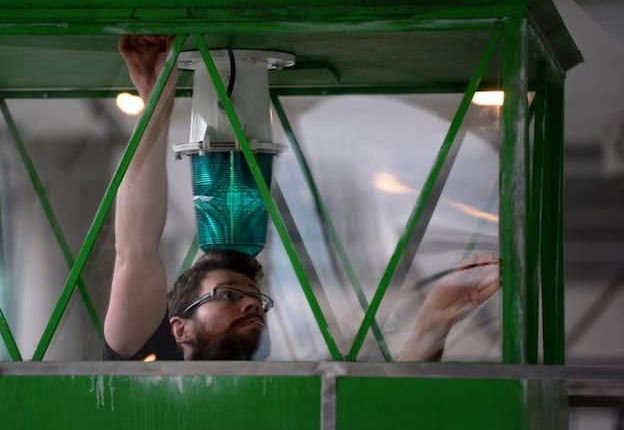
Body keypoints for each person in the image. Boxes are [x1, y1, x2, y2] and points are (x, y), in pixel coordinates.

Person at [103, 35, 501, 362]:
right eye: (230, 295)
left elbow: (383, 413)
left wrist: (434, 324)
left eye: (247, 297)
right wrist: (158, 100)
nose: (251, 305)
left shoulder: (280, 391)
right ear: (178, 329)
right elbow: (134, 250)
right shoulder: (144, 359)